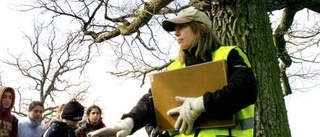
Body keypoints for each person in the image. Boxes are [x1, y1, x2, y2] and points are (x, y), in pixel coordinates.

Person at [87, 7, 257, 137]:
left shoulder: (229, 54)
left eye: (182, 26)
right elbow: (151, 102)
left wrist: (201, 104)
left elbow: (245, 89)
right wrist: (129, 121)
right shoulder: (174, 67)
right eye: (175, 28)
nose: (176, 33)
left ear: (202, 28)